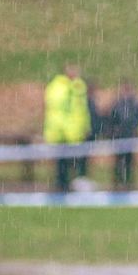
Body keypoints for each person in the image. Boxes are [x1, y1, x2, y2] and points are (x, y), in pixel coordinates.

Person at [44, 63, 92, 192]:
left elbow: (81, 110)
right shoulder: (59, 87)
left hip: (75, 131)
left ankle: (73, 184)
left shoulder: (77, 86)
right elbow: (60, 109)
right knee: (62, 162)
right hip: (62, 131)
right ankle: (62, 185)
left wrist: (84, 126)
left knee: (76, 161)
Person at [105, 80, 138, 189]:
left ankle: (128, 182)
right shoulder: (117, 105)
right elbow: (111, 120)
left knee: (130, 162)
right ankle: (118, 182)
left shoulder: (134, 105)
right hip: (119, 137)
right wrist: (113, 133)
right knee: (118, 162)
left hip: (130, 137)